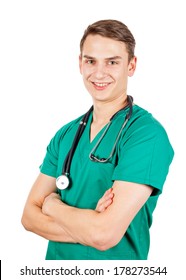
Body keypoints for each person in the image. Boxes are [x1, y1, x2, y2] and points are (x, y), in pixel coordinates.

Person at [21, 19, 174, 260]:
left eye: (112, 62)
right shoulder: (66, 135)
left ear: (131, 65)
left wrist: (51, 205)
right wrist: (92, 226)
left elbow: (104, 235)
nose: (99, 73)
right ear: (80, 64)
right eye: (90, 61)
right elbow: (29, 217)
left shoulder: (146, 135)